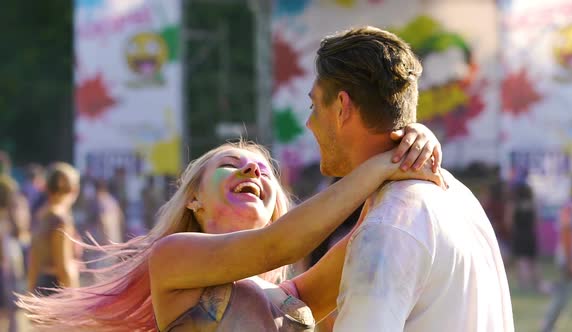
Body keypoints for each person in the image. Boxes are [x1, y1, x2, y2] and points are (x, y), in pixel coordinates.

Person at [16, 131, 442, 331]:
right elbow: (279, 245)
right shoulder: (173, 258)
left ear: (278, 209)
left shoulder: (295, 298)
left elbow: (377, 226)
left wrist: (410, 148)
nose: (252, 168)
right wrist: (382, 166)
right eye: (228, 164)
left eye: (261, 169)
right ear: (194, 200)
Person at [295, 26, 513, 331]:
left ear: (342, 107)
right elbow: (297, 296)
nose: (309, 122)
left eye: (314, 105)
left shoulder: (386, 227)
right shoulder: (456, 195)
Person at [542, 174, 572, 332]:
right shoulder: (571, 207)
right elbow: (567, 234)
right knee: (562, 299)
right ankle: (547, 327)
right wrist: (570, 262)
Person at [27, 162, 81, 295]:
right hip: (57, 290)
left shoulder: (42, 215)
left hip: (41, 287)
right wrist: (76, 298)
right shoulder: (60, 220)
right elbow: (63, 266)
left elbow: (33, 261)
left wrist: (29, 292)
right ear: (74, 189)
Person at [0, 175, 25, 332]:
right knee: (12, 311)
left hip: (8, 266)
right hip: (9, 268)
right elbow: (21, 233)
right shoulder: (9, 219)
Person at [507, 181, 541, 291]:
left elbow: (509, 221)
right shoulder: (533, 205)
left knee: (521, 260)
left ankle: (524, 285)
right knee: (533, 261)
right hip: (530, 234)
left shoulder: (513, 204)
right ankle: (536, 284)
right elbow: (536, 221)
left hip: (519, 235)